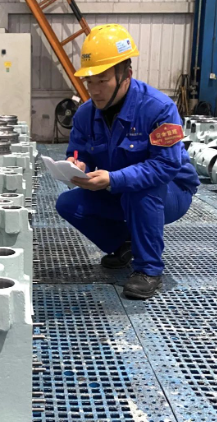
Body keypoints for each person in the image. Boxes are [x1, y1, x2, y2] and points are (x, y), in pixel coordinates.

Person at [56, 24, 199, 300]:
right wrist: (78, 165)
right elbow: (78, 152)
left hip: (171, 192)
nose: (94, 90)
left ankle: (148, 269)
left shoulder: (159, 108)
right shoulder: (85, 114)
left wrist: (114, 179)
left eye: (102, 80)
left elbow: (166, 167)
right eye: (89, 81)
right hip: (117, 189)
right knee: (68, 204)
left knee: (138, 190)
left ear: (126, 76)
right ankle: (125, 245)